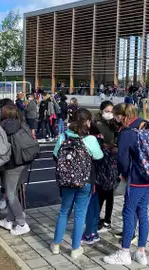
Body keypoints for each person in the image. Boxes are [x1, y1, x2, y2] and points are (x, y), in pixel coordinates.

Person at [103, 103, 149, 266]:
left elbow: (122, 159)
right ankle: (141, 252)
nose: (115, 119)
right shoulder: (142, 125)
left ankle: (124, 252)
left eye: (116, 115)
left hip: (136, 179)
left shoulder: (126, 132)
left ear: (122, 116)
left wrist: (124, 175)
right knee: (143, 213)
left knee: (128, 211)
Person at [51, 108, 103, 259]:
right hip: (85, 181)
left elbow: (55, 155)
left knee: (64, 211)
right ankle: (75, 248)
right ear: (87, 122)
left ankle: (56, 244)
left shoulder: (63, 137)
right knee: (80, 214)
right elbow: (99, 157)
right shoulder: (90, 139)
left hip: (66, 181)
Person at [0, 104, 38, 236]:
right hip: (24, 161)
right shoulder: (22, 124)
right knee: (14, 191)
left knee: (10, 194)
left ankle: (21, 223)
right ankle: (9, 219)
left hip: (12, 164)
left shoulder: (2, 126)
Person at [93, 100, 118, 232]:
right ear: (102, 111)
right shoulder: (96, 124)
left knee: (109, 192)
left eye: (111, 111)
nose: (109, 114)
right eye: (106, 111)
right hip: (100, 162)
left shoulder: (115, 125)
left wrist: (114, 146)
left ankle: (107, 220)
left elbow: (118, 142)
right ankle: (96, 218)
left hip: (112, 163)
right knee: (100, 191)